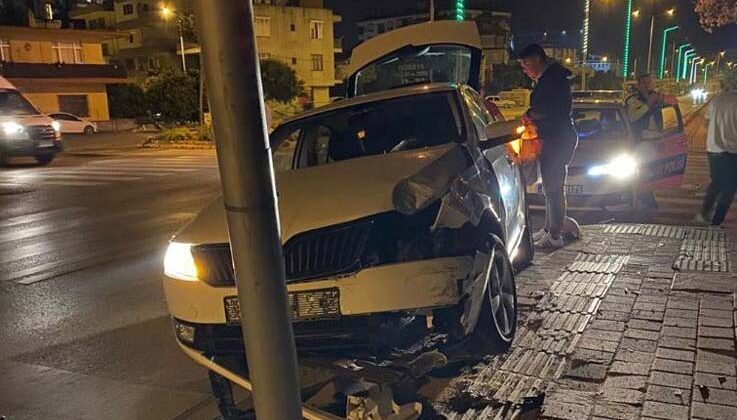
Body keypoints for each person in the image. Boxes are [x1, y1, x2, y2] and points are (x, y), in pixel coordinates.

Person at [519, 44, 579, 248]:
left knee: (554, 187)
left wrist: (530, 115)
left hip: (557, 138)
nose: (524, 69)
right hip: (554, 137)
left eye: (526, 64)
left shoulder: (553, 80)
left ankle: (555, 235)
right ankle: (548, 228)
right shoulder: (549, 79)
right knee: (549, 187)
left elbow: (553, 110)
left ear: (537, 60)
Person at [695, 84, 737, 226]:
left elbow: (706, 122)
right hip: (732, 151)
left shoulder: (717, 100)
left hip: (713, 149)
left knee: (716, 183)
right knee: (729, 189)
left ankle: (704, 214)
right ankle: (717, 222)